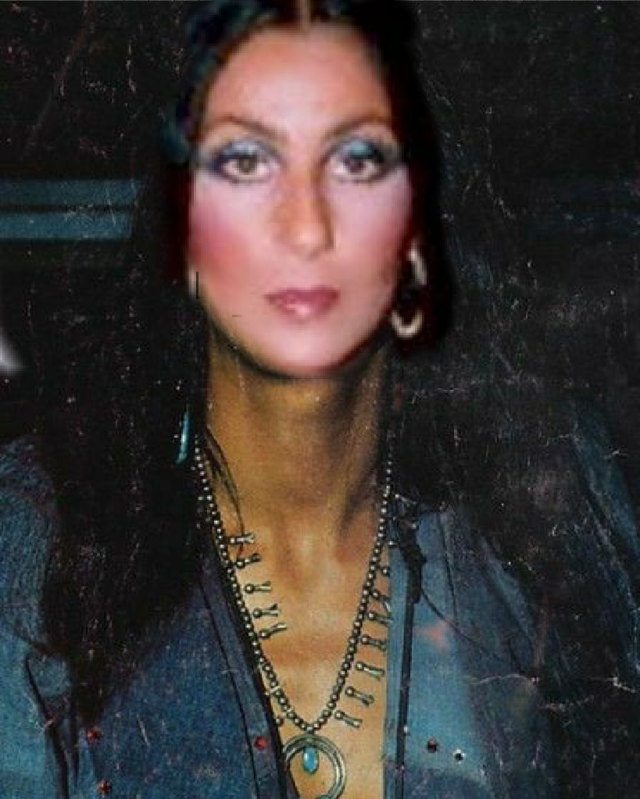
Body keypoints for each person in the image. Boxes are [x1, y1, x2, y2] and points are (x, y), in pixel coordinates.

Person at [1, 0, 639, 797]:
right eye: (245, 159)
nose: (305, 226)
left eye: (358, 159)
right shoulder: (32, 540)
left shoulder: (550, 507)